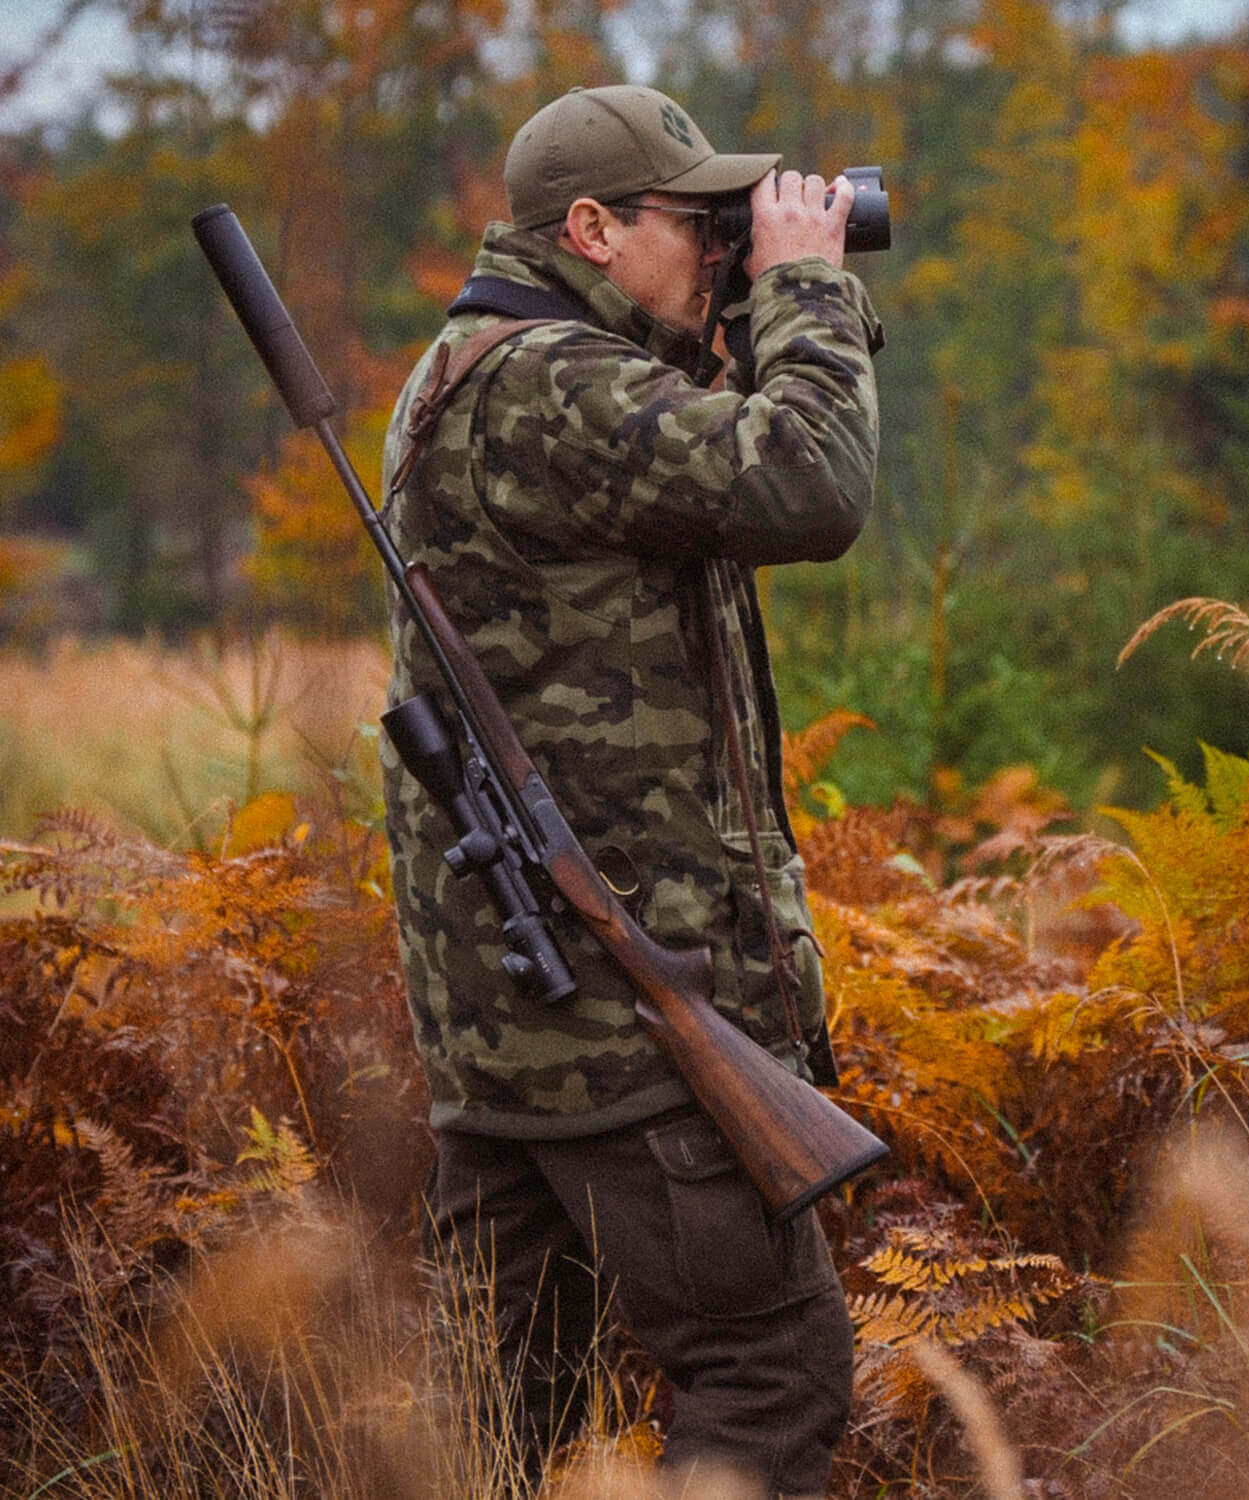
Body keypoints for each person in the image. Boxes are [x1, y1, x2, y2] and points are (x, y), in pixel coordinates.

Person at [379, 83, 882, 1497]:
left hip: (518, 1037)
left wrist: (747, 304)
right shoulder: (549, 383)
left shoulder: (479, 369)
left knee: (495, 1433)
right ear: (591, 227)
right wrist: (804, 291)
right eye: (698, 220)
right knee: (768, 1380)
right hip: (619, 1027)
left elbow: (711, 465)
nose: (725, 243)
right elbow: (809, 482)